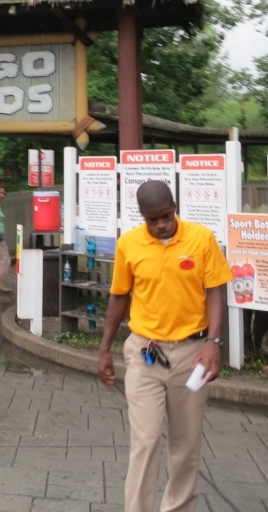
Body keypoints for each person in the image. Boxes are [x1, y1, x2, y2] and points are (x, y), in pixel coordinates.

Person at [96, 180, 232, 512]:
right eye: (152, 219)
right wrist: (104, 349)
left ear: (175, 206)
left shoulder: (201, 238)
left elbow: (216, 291)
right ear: (141, 215)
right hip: (146, 353)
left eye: (166, 216)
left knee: (186, 444)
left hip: (192, 352)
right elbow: (118, 298)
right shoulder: (129, 244)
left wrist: (214, 342)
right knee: (145, 440)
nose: (160, 224)